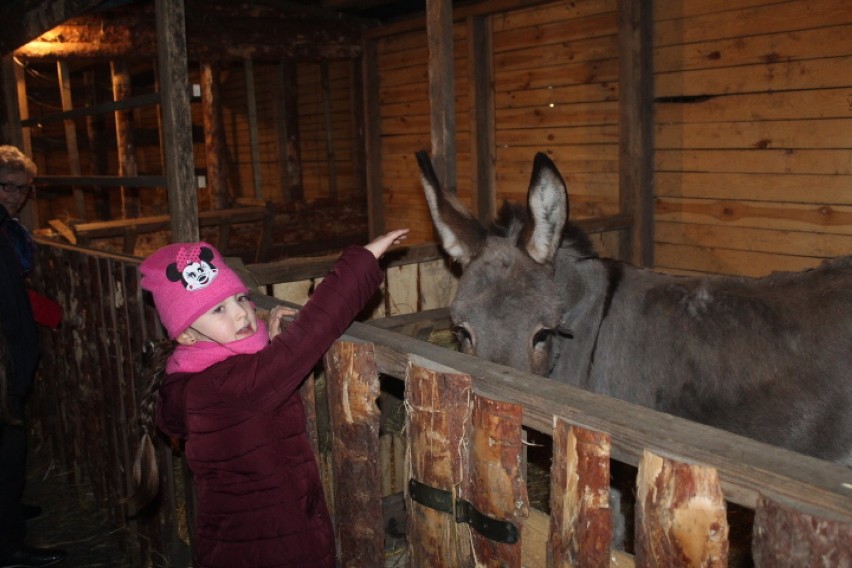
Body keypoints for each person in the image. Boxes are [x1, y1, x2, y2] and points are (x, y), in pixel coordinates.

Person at [131, 228, 409, 568]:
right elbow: (311, 334)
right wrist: (364, 260)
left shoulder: (197, 377)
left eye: (240, 298)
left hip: (244, 542)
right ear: (187, 334)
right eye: (218, 310)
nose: (240, 313)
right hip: (272, 549)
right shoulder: (227, 388)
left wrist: (267, 347)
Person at [0, 145, 66, 568]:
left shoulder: (6, 229)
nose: (14, 196)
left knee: (12, 440)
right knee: (9, 444)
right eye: (6, 186)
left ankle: (8, 512)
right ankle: (8, 544)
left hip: (10, 352)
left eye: (22, 189)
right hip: (0, 361)